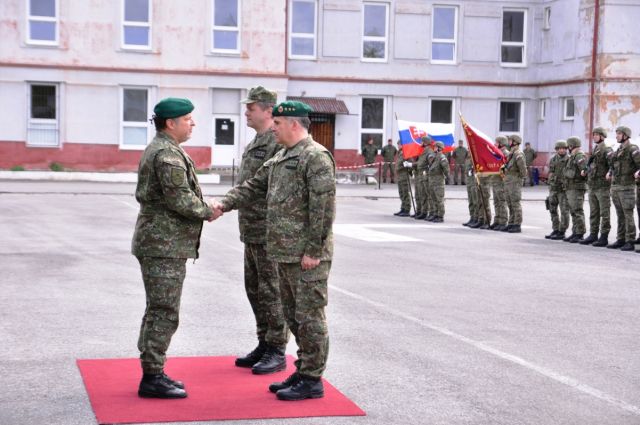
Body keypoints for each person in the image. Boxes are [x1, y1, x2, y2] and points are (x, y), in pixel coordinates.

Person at [215, 101, 336, 401]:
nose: (274, 128)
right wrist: (221, 204)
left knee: (310, 318)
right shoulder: (282, 156)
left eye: (278, 124)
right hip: (283, 252)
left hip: (306, 256)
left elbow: (323, 210)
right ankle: (303, 370)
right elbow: (253, 186)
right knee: (293, 317)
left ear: (294, 124)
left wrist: (314, 251)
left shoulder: (315, 157)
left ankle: (312, 379)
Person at [132, 98, 219, 399]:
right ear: (171, 123)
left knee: (158, 309)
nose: (193, 123)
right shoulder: (166, 154)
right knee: (164, 311)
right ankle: (152, 377)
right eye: (187, 119)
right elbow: (180, 199)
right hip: (163, 245)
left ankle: (153, 369)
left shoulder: (165, 148)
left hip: (162, 243)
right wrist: (209, 210)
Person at [233, 86, 289, 375]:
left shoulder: (276, 142)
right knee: (254, 289)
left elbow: (264, 185)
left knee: (271, 291)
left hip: (269, 231)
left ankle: (277, 349)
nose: (246, 112)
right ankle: (264, 342)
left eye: (251, 107)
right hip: (252, 229)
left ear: (268, 110)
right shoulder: (257, 140)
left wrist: (225, 203)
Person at [607, 126, 640, 251]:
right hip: (616, 187)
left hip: (627, 187)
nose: (617, 136)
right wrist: (610, 172)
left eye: (619, 134)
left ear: (626, 135)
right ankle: (621, 239)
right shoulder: (618, 150)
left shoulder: (633, 149)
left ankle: (630, 240)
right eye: (617, 134)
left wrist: (638, 172)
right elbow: (613, 165)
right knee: (620, 215)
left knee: (628, 214)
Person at [580, 127, 612, 246]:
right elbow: (590, 164)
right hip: (593, 186)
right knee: (594, 212)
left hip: (602, 186)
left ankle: (604, 236)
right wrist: (585, 170)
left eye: (597, 135)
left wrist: (610, 173)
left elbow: (612, 165)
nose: (594, 136)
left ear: (602, 136)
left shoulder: (607, 149)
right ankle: (593, 234)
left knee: (604, 213)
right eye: (593, 135)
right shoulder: (595, 149)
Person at [562, 136, 589, 242]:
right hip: (571, 187)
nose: (567, 148)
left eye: (568, 146)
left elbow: (585, 171)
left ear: (571, 145)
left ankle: (580, 233)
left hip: (577, 187)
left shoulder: (579, 156)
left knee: (577, 210)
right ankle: (575, 231)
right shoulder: (572, 157)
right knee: (573, 211)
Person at [545, 140, 571, 240]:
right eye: (559, 148)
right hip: (553, 188)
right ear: (556, 149)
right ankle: (555, 229)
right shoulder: (553, 159)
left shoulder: (569, 159)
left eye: (563, 148)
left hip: (563, 190)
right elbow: (550, 172)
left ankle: (562, 231)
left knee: (564, 211)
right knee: (552, 209)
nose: (561, 150)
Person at [502, 134, 527, 233]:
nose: (508, 142)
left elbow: (523, 171)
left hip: (515, 182)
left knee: (515, 203)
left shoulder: (518, 154)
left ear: (515, 142)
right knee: (510, 203)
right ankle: (511, 223)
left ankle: (517, 224)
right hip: (508, 182)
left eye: (510, 140)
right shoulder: (511, 153)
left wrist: (518, 179)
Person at [426, 141, 449, 222]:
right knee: (434, 199)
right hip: (432, 181)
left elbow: (446, 169)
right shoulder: (434, 157)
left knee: (439, 199)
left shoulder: (442, 157)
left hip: (438, 182)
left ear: (439, 148)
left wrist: (446, 176)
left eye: (435, 147)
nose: (434, 148)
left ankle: (440, 216)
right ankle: (435, 214)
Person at [491, 136, 509, 230]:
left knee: (502, 202)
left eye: (497, 142)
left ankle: (503, 221)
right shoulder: (496, 153)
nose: (495, 144)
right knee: (496, 202)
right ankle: (497, 220)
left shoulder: (506, 154)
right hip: (495, 181)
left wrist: (503, 177)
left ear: (501, 143)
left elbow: (506, 168)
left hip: (501, 182)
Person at [414, 136, 432, 220]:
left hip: (425, 175)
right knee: (421, 194)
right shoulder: (424, 150)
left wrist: (412, 164)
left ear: (425, 142)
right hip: (420, 174)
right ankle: (421, 211)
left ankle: (425, 212)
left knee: (425, 195)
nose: (421, 143)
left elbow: (428, 163)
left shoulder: (429, 151)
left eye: (422, 141)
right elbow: (420, 162)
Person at [394, 142, 411, 217]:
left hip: (404, 175)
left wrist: (407, 166)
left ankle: (407, 209)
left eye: (399, 144)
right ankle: (403, 208)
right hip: (400, 176)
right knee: (401, 193)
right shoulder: (400, 153)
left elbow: (410, 162)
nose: (398, 146)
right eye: (398, 144)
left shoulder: (406, 153)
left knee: (405, 192)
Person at [463, 156, 480, 226]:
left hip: (474, 182)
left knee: (475, 202)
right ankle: (472, 217)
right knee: (471, 202)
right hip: (469, 182)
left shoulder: (475, 157)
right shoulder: (467, 159)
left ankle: (476, 217)